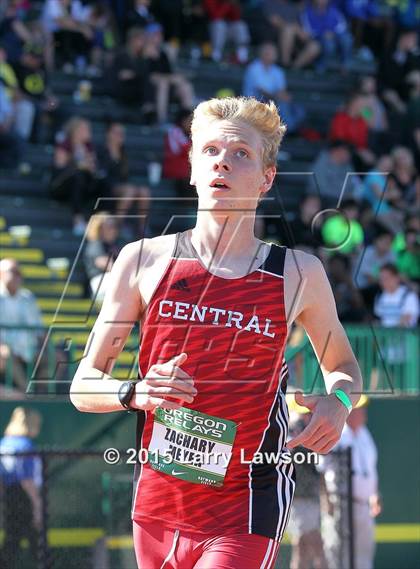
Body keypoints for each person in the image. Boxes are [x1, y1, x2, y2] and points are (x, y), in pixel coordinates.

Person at [70, 96, 362, 569]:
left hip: (247, 502)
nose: (222, 160)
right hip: (158, 503)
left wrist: (340, 401)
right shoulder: (142, 260)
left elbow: (343, 367)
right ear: (190, 169)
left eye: (241, 153)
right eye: (209, 151)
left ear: (266, 179)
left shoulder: (297, 273)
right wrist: (135, 391)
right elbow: (83, 383)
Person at [320, 395, 381, 569]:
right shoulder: (336, 432)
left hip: (364, 507)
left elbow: (371, 470)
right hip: (340, 503)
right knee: (338, 555)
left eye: (362, 408)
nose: (363, 412)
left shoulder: (365, 435)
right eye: (358, 408)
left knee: (363, 556)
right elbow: (321, 470)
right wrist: (327, 502)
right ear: (348, 412)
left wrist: (375, 494)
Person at [286, 394, 329, 569]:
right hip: (298, 500)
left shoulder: (309, 431)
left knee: (304, 548)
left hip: (308, 499)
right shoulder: (291, 431)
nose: (307, 416)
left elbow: (320, 468)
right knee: (313, 545)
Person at [0, 407, 42, 568]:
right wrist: (37, 505)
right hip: (24, 498)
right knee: (36, 540)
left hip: (9, 497)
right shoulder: (25, 445)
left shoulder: (4, 443)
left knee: (12, 539)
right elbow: (27, 480)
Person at [0, 259, 44, 392]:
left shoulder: (28, 297)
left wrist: (43, 344)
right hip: (6, 350)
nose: (17, 276)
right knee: (6, 354)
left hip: (28, 348)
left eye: (19, 273)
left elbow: (39, 328)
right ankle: (26, 393)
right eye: (13, 272)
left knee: (56, 357)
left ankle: (41, 395)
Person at [243, 42, 306, 133]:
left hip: (273, 101)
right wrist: (279, 97)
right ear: (263, 54)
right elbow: (262, 91)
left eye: (274, 53)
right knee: (282, 105)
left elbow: (281, 90)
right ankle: (288, 131)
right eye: (271, 53)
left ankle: (287, 131)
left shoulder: (278, 71)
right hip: (255, 104)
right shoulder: (253, 68)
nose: (274, 55)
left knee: (300, 111)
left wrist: (286, 96)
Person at [83, 212, 123, 302]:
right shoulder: (95, 244)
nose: (113, 229)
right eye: (110, 226)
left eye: (115, 226)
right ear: (100, 228)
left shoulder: (115, 245)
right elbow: (107, 265)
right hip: (98, 283)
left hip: (112, 280)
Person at [374, 263, 419, 327]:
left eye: (386, 278)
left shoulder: (409, 295)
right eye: (381, 279)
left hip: (405, 335)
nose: (383, 282)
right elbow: (379, 319)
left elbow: (407, 319)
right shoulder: (379, 297)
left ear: (396, 278)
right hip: (384, 335)